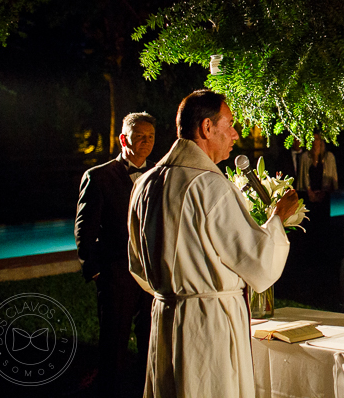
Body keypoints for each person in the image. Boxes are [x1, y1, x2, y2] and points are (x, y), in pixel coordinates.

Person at [127, 89, 299, 398]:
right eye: (229, 124)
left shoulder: (145, 184)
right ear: (207, 128)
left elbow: (138, 265)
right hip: (208, 324)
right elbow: (259, 264)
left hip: (166, 316)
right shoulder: (210, 185)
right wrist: (277, 218)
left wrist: (174, 292)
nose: (235, 134)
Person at [75, 112, 156, 394]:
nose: (146, 142)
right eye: (140, 136)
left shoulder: (160, 175)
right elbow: (85, 229)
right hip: (116, 272)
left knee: (151, 340)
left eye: (151, 137)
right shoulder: (98, 177)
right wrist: (96, 270)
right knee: (114, 343)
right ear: (124, 139)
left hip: (152, 272)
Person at [297, 131, 337, 249]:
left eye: (317, 139)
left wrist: (323, 193)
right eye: (313, 139)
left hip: (323, 198)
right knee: (310, 228)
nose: (315, 142)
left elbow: (333, 180)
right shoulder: (305, 157)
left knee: (323, 228)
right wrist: (309, 192)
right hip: (309, 198)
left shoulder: (328, 157)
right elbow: (302, 178)